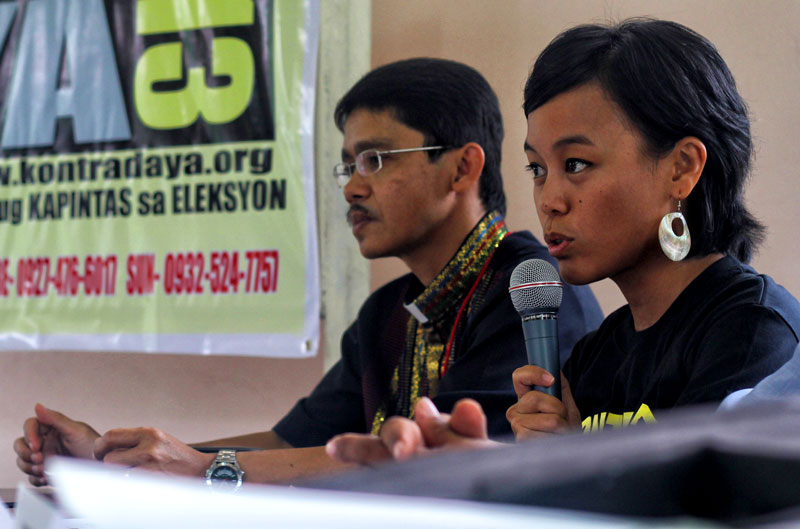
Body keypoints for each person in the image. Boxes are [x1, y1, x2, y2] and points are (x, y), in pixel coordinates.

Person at [14, 58, 603, 485]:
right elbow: (291, 443)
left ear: (460, 168)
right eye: (346, 165)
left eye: (375, 158)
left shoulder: (530, 288)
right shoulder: (390, 310)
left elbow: (439, 462)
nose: (352, 186)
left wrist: (199, 469)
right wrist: (119, 458)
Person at [326, 19, 800, 465]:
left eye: (575, 164)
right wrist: (531, 465)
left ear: (681, 169)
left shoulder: (753, 331)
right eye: (537, 169)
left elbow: (703, 507)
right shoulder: (596, 355)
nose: (549, 200)